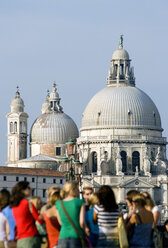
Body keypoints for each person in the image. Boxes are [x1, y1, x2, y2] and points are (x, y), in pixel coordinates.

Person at [10, 181, 43, 248]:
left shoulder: (14, 206)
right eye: (28, 188)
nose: (30, 189)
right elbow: (39, 220)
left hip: (20, 239)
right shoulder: (28, 203)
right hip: (31, 237)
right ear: (22, 190)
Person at [55, 181, 85, 248]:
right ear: (73, 189)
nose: (78, 190)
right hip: (76, 236)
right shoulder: (80, 202)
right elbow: (82, 222)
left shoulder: (58, 203)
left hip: (62, 236)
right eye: (77, 188)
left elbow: (60, 223)